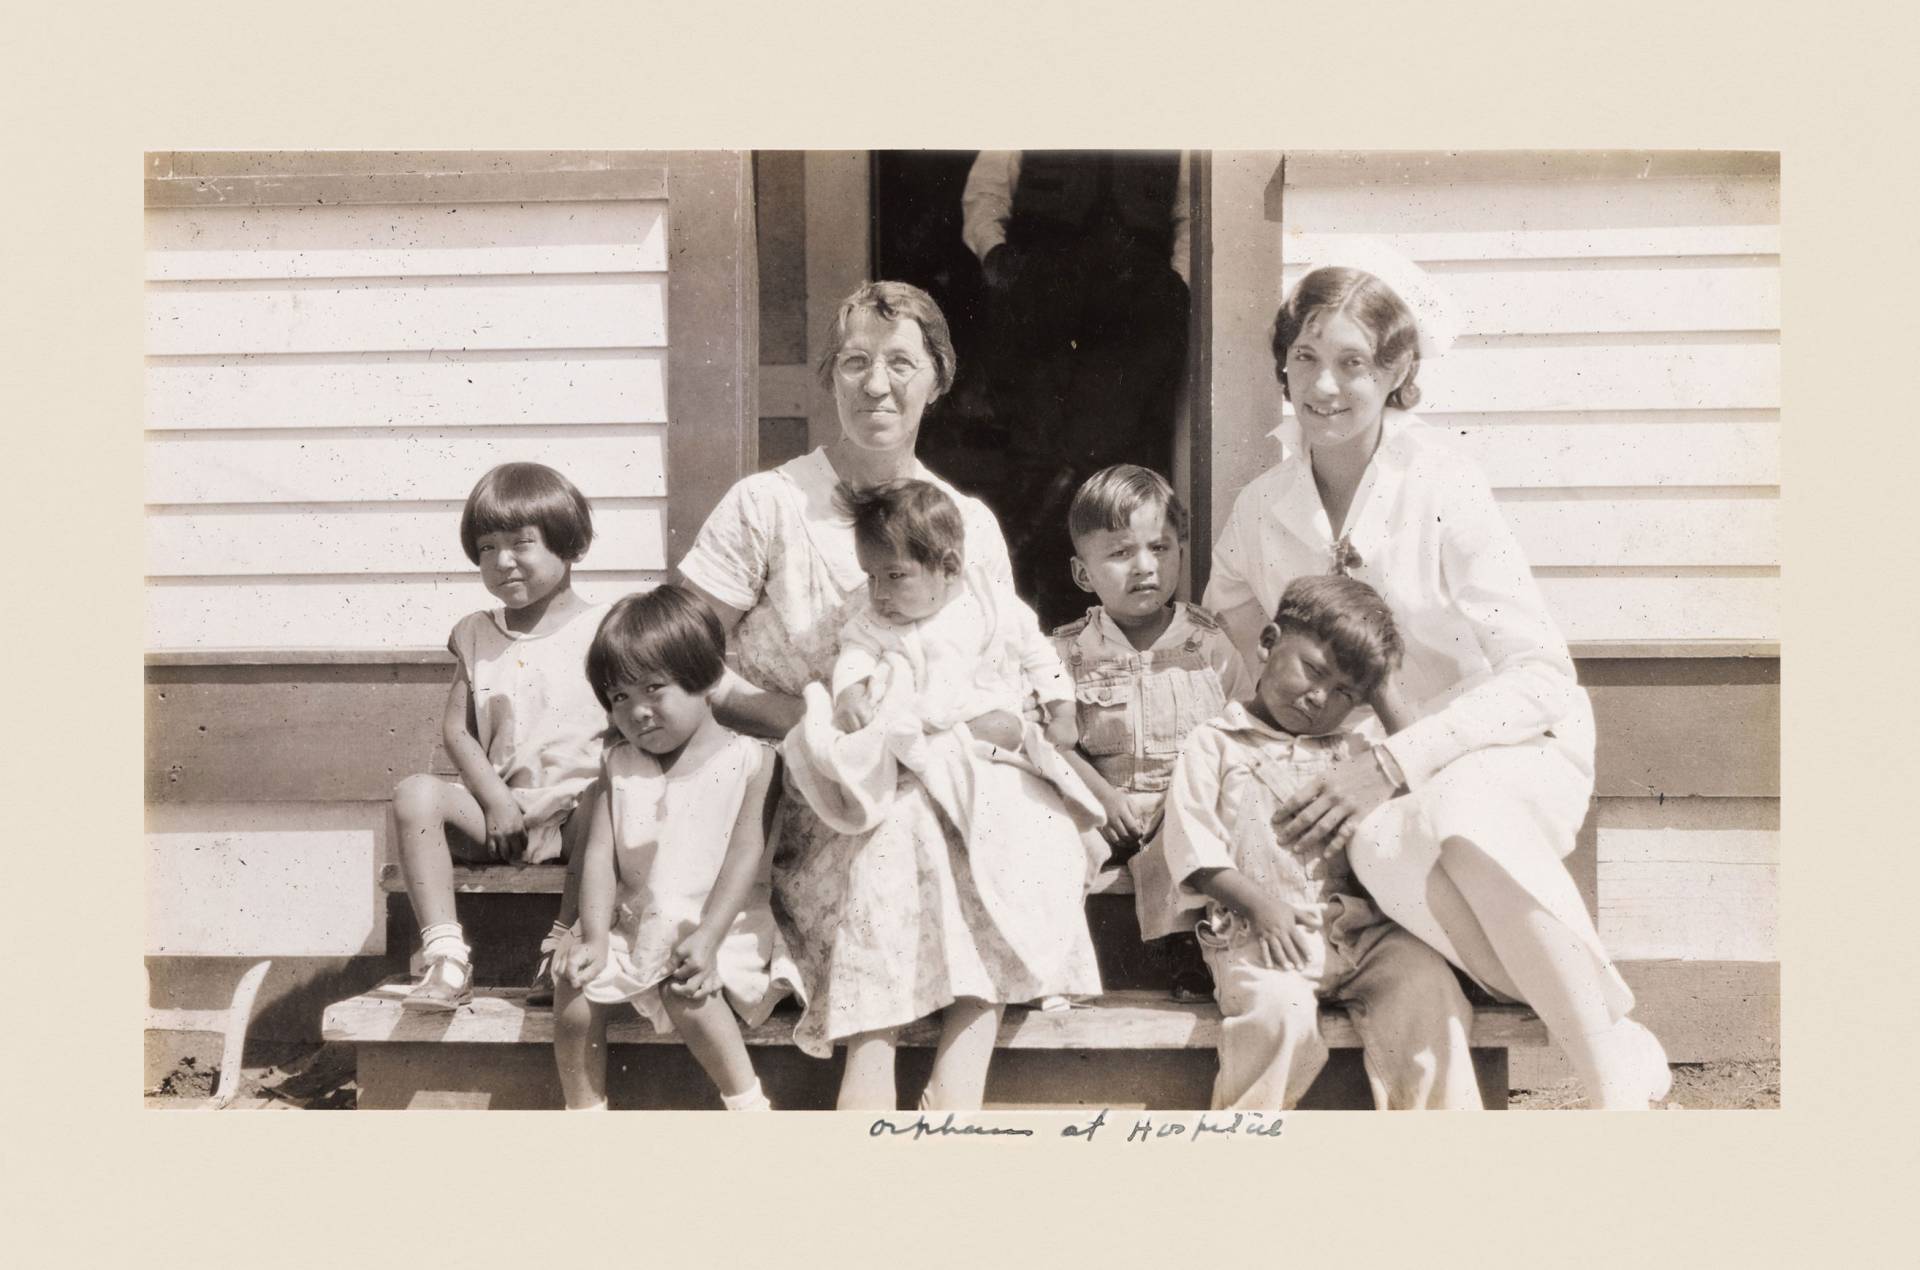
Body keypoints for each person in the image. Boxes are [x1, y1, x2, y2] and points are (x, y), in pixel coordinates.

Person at [1205, 260, 1671, 1108]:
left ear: (1396, 373)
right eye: (1305, 358)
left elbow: (1541, 677)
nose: (1325, 385)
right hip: (1371, 788)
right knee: (1383, 851)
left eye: (1353, 363)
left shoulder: (1444, 483)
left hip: (1499, 752)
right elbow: (1225, 633)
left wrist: (1396, 760)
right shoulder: (1262, 506)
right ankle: (1604, 1025)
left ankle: (1611, 1084)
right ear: (1282, 364)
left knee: (1453, 814)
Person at [674, 281, 1102, 1111]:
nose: (877, 385)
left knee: (1014, 820)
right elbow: (676, 655)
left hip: (942, 770)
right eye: (856, 363)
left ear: (938, 378)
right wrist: (799, 721)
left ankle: (955, 1065)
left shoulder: (964, 522)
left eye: (901, 362)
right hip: (818, 787)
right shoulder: (769, 504)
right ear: (829, 377)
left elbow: (1001, 657)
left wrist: (998, 720)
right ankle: (877, 1075)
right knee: (903, 819)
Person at [1162, 575, 1481, 1109]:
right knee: (1276, 1014)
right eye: (1313, 670)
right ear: (1267, 642)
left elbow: (1425, 776)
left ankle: (1441, 1151)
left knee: (1429, 988)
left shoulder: (1360, 751)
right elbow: (1193, 852)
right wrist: (1261, 908)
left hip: (1361, 935)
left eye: (1344, 693)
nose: (1319, 698)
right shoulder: (1215, 744)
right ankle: (1240, 1144)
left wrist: (1375, 685)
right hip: (1260, 937)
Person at [552, 587, 800, 1111]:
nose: (637, 712)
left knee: (684, 990)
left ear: (707, 679)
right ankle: (583, 1114)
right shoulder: (618, 764)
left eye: (653, 689)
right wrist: (593, 936)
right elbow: (599, 856)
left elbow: (745, 855)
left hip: (721, 928)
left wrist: (708, 937)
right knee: (572, 988)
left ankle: (749, 1105)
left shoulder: (754, 762)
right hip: (634, 925)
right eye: (619, 698)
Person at [390, 463, 608, 1012]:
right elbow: (455, 729)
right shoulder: (475, 632)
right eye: (487, 547)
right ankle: (446, 957)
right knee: (415, 792)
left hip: (583, 819)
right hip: (498, 817)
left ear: (570, 545)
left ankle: (559, 949)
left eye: (521, 543)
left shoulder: (608, 628)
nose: (502, 561)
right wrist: (494, 799)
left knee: (611, 800)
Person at [961, 150, 1193, 628]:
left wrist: (1177, 282)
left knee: (1111, 467)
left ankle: (1112, 632)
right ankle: (1035, 627)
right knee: (1038, 465)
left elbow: (1191, 213)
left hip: (1136, 309)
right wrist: (1000, 260)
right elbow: (984, 196)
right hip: (1042, 305)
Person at [1049, 465, 1252, 1001]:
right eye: (1119, 553)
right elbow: (1049, 741)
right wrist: (1098, 794)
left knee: (1183, 847)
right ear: (1082, 572)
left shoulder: (1207, 645)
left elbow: (1242, 730)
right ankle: (1051, 963)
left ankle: (1185, 953)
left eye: (1160, 548)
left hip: (1181, 808)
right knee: (1054, 847)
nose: (1145, 567)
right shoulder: (1066, 652)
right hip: (1100, 806)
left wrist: (1192, 792)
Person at [827, 478, 1076, 746]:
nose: (878, 593)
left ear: (948, 568)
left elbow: (1040, 657)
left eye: (894, 575)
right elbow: (855, 653)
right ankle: (915, 752)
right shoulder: (878, 619)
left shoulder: (994, 603)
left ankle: (933, 751)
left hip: (977, 724)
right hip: (907, 724)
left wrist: (1063, 716)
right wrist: (849, 695)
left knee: (1007, 728)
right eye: (871, 577)